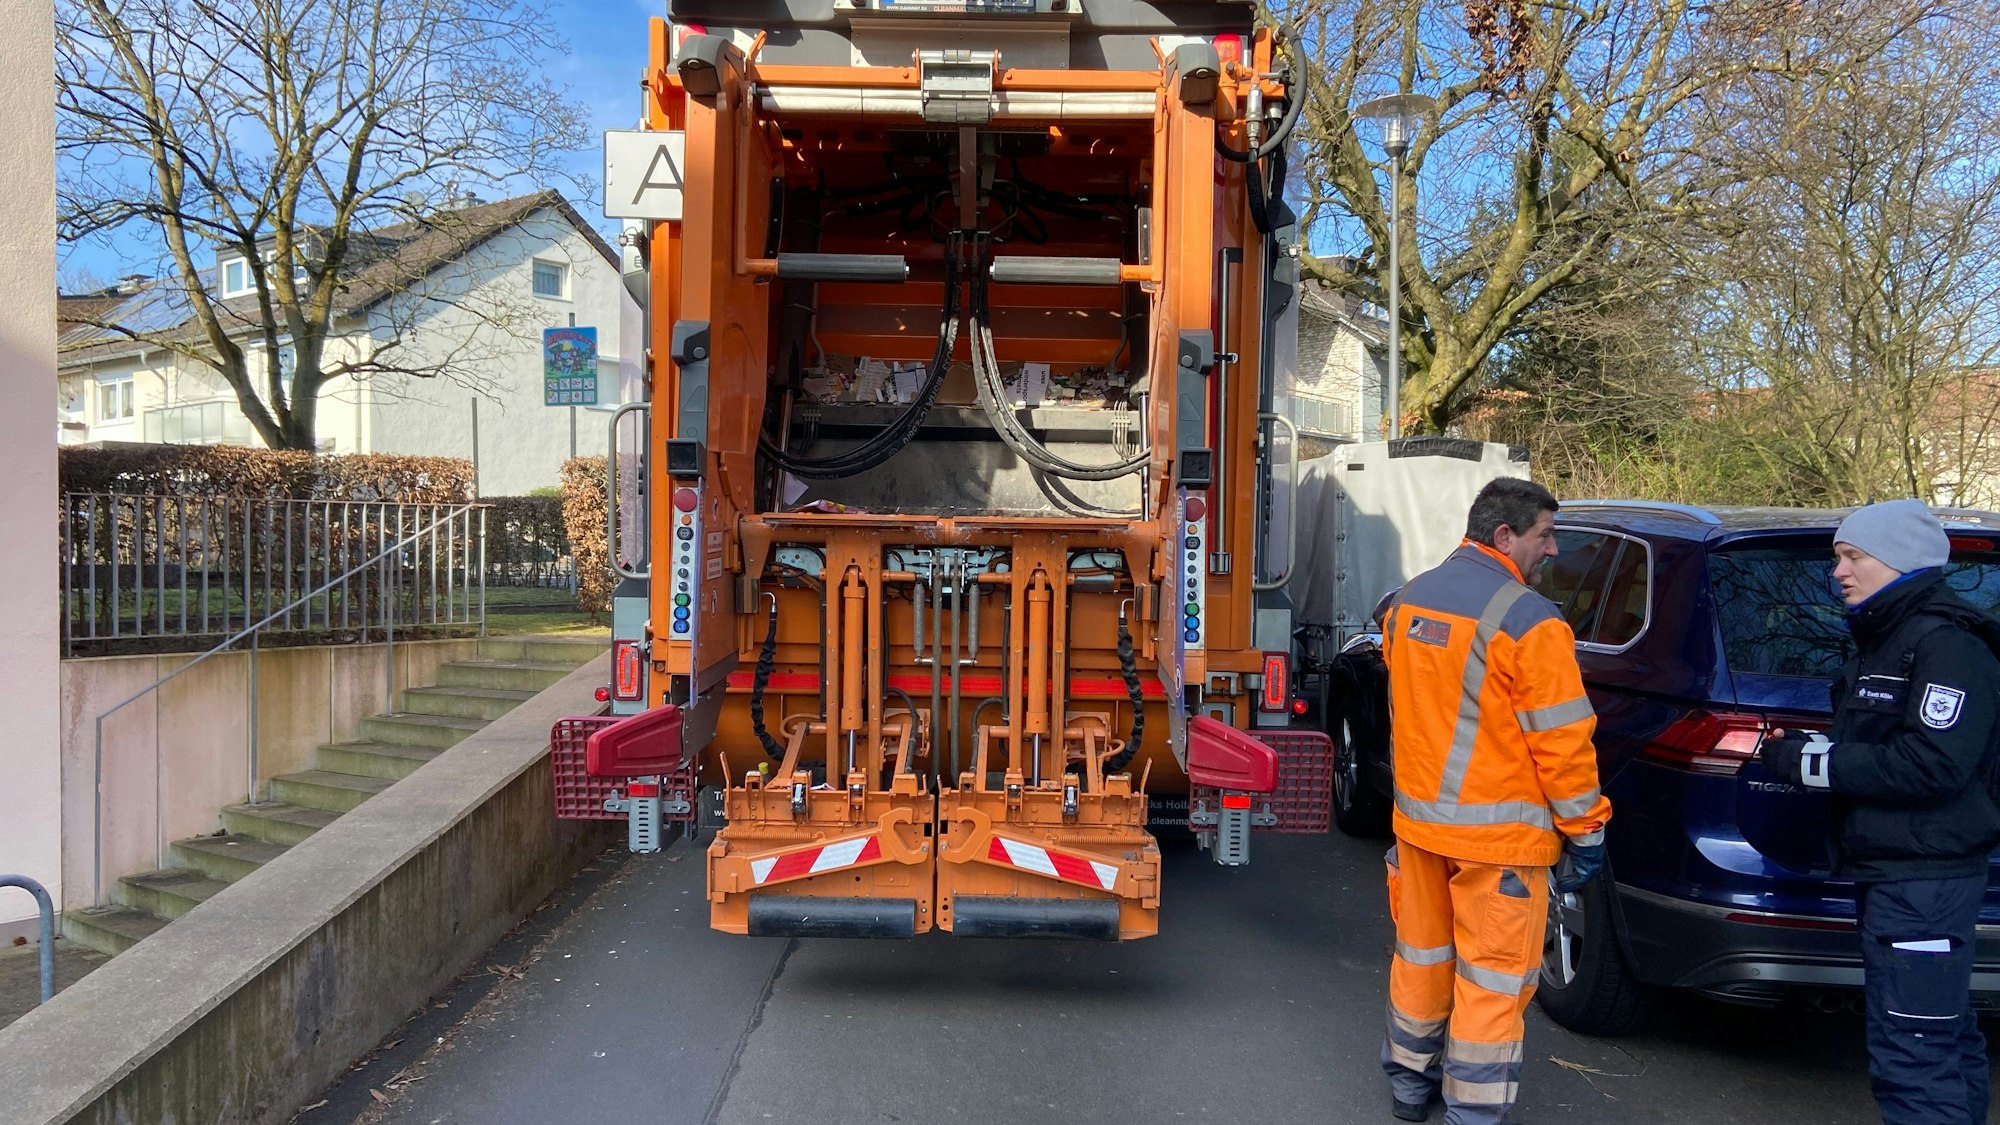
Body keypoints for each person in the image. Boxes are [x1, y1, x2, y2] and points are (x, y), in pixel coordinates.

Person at [1758, 499, 2000, 1125]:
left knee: (1915, 1053)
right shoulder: (1887, 639)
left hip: (1926, 880)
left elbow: (1935, 764)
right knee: (1937, 1036)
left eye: (1854, 556)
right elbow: (1884, 742)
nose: (1838, 571)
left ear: (1899, 562)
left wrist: (1817, 767)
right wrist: (1816, 751)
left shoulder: (1947, 647)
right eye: (1838, 556)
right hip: (1897, 872)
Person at [1377, 478, 1611, 1124]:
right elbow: (1563, 746)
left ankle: (1408, 1083)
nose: (1554, 549)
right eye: (1544, 534)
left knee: (1421, 959)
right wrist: (1586, 831)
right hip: (1498, 846)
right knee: (1491, 983)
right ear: (1504, 535)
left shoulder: (1405, 603)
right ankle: (1472, 1111)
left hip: (1419, 830)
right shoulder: (1531, 623)